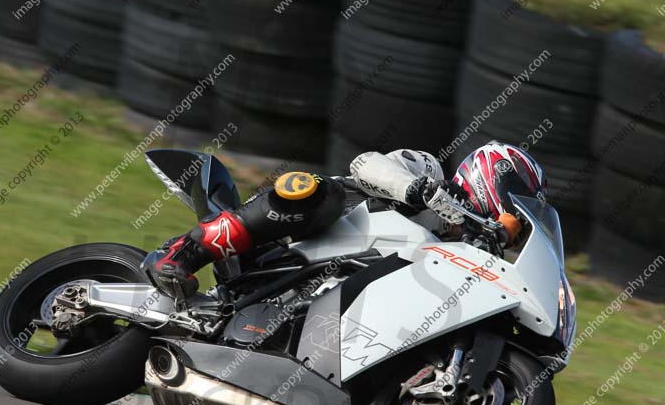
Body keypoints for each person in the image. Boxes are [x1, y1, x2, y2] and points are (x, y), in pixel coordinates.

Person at [142, 142, 547, 299]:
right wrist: (417, 192)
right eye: (516, 198)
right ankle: (182, 251)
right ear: (493, 174)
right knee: (320, 192)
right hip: (296, 240)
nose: (514, 221)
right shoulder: (428, 172)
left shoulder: (461, 255)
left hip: (331, 295)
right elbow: (365, 164)